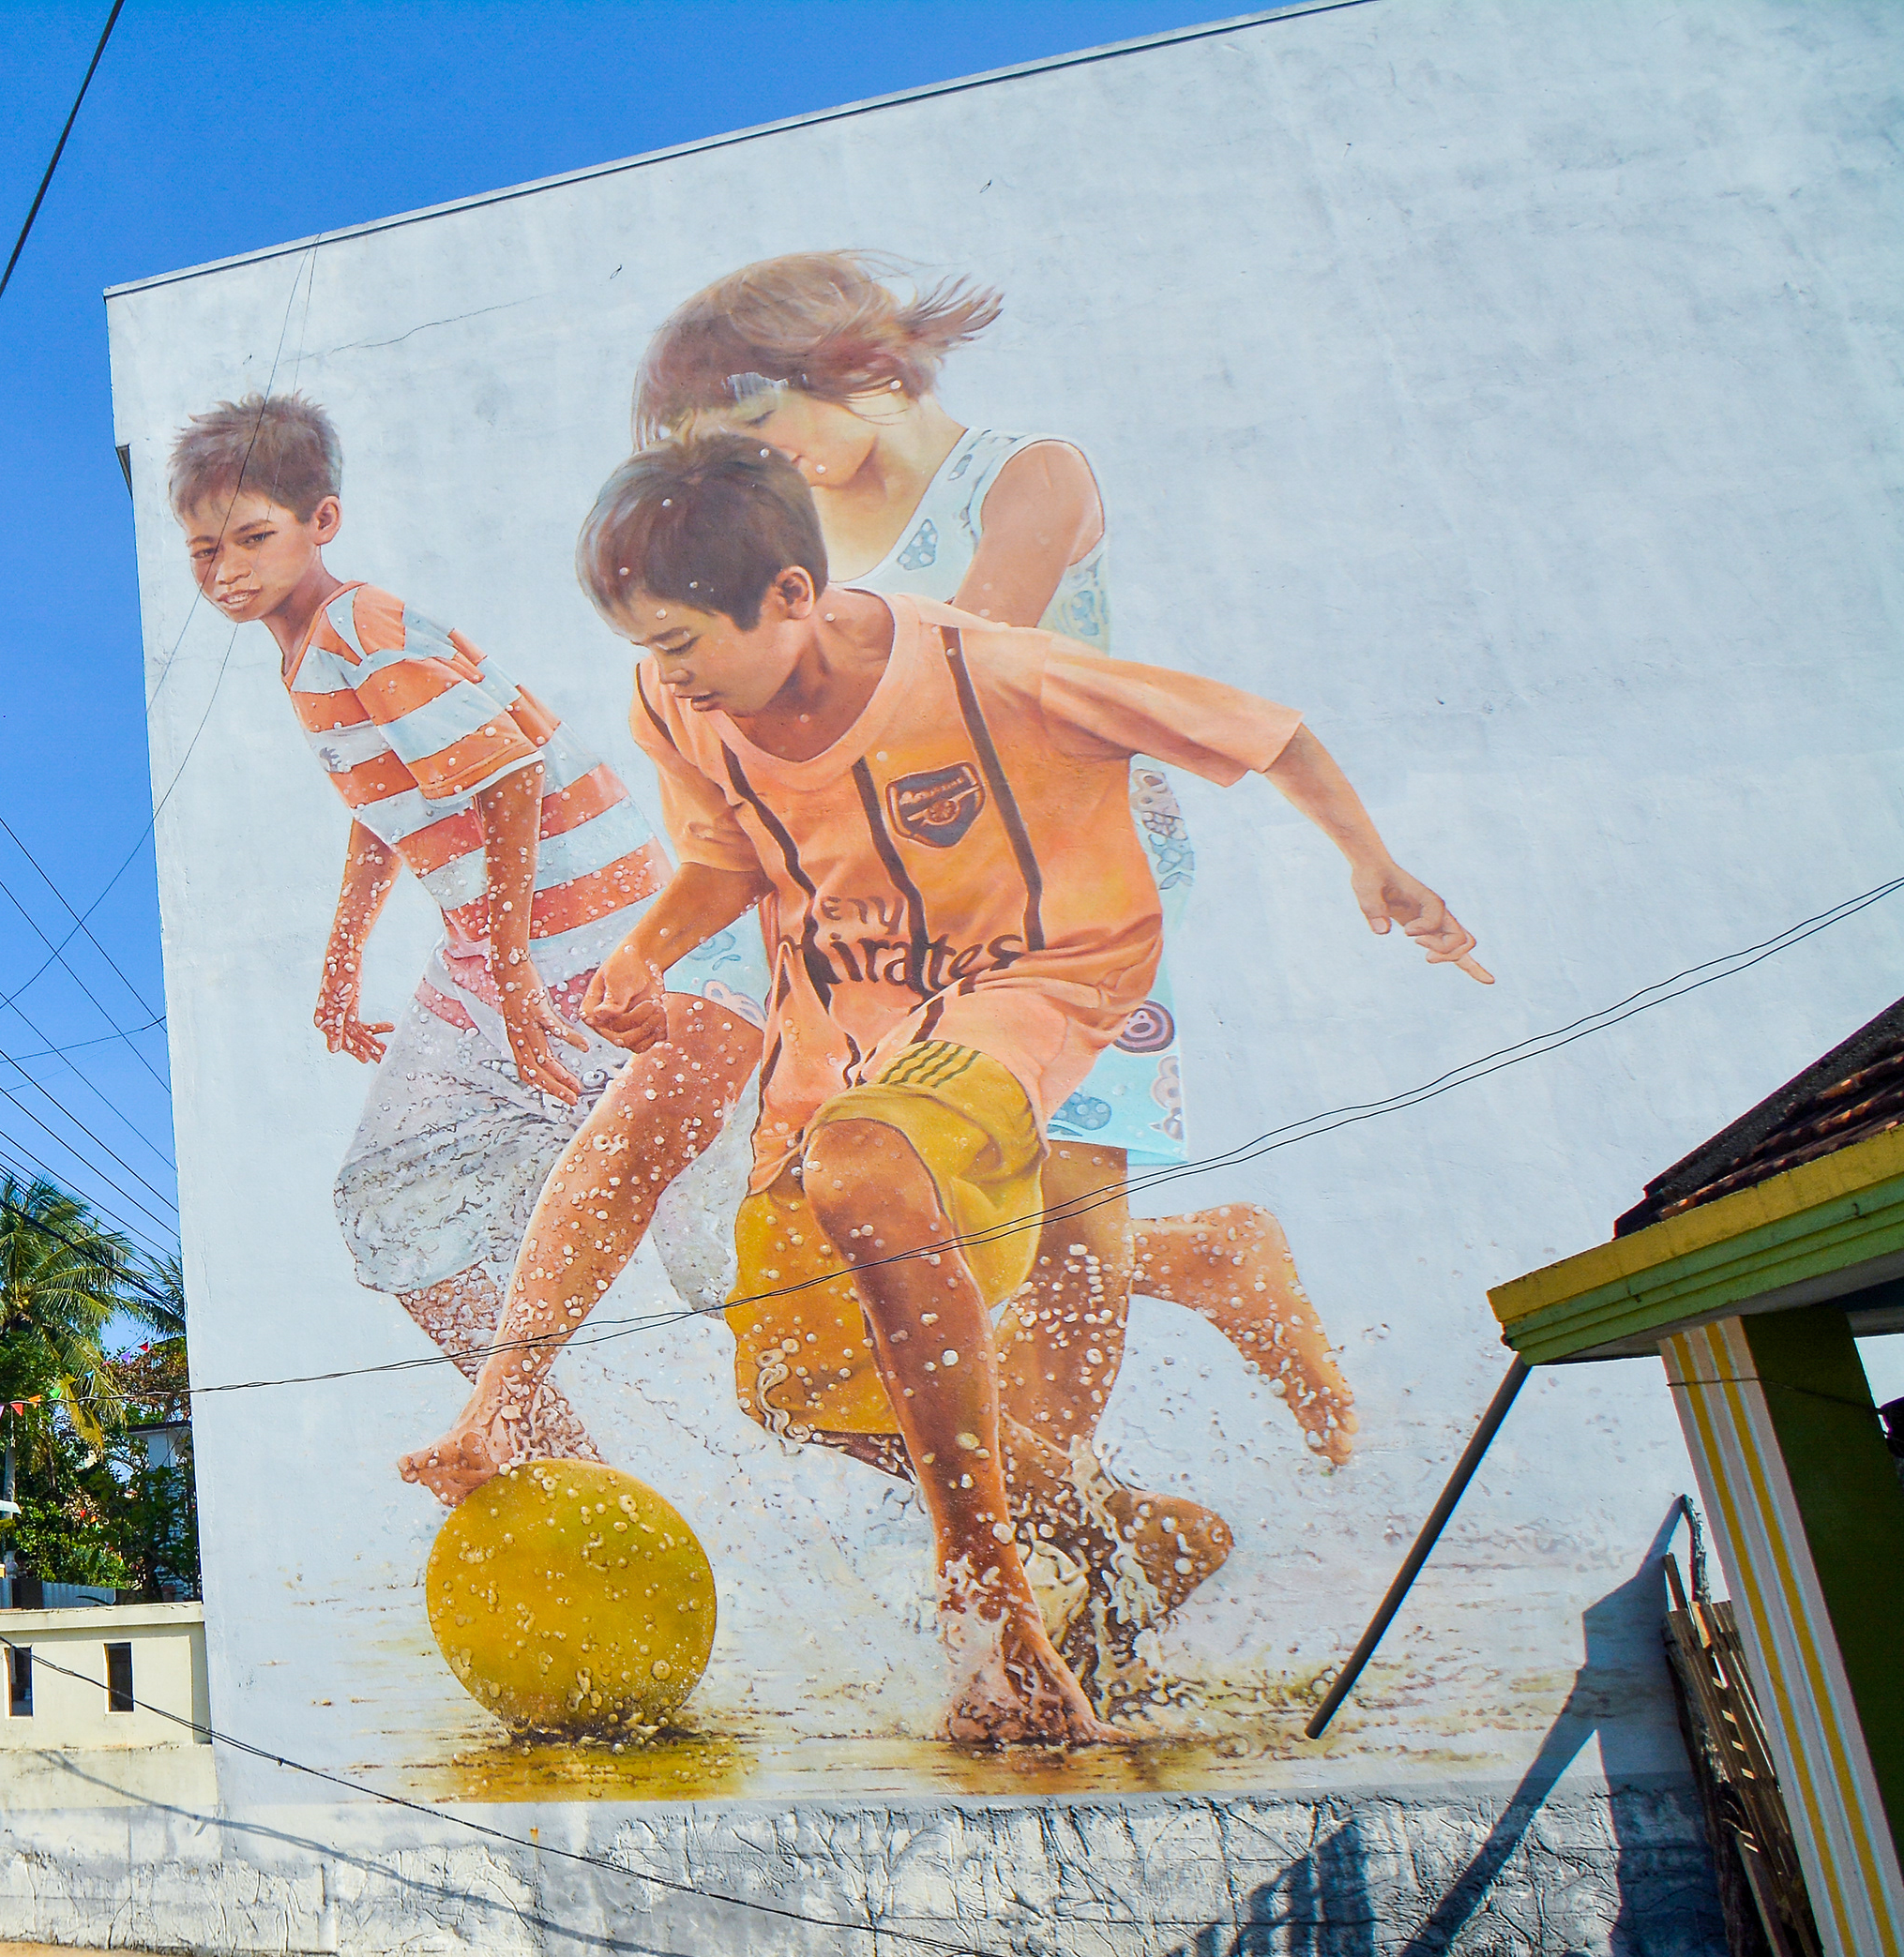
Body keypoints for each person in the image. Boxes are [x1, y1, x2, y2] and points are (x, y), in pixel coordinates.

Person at [434, 433, 1483, 1745]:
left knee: (868, 1170)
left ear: (790, 600)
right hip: (847, 1019)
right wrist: (643, 950)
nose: (665, 677)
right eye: (645, 649)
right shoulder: (682, 710)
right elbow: (722, 862)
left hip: (1034, 972)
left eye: (680, 641)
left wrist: (1374, 866)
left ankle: (983, 1597)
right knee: (795, 1381)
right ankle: (1139, 1529)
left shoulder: (990, 669)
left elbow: (1261, 732)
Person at [629, 253, 1364, 1493]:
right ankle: (1206, 1268)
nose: (761, 468)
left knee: (1060, 1200)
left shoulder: (1023, 477)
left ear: (858, 366)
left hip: (1058, 895)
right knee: (916, 1237)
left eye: (757, 424)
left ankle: (1069, 1545)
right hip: (879, 917)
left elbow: (962, 671)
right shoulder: (794, 537)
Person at [170, 393, 761, 1472]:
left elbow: (511, 772)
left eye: (253, 538)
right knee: (386, 1203)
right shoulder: (304, 651)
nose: (224, 571)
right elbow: (386, 806)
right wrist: (341, 966)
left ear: (323, 521)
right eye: (203, 550)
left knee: (714, 1251)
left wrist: (520, 977)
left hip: (595, 935)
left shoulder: (357, 627)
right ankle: (549, 1454)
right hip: (490, 951)